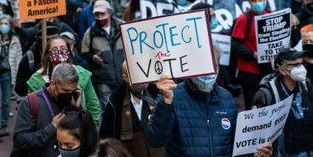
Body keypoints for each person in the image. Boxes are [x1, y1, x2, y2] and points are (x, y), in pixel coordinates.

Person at [144, 71, 273, 157]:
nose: (210, 72)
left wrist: (254, 152)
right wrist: (166, 103)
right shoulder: (172, 95)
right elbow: (155, 140)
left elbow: (236, 145)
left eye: (214, 66)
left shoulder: (225, 97)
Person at [26, 36, 100, 126]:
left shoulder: (82, 75)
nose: (59, 52)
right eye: (54, 49)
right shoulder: (37, 80)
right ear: (48, 55)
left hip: (78, 129)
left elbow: (93, 106)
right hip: (49, 130)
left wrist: (92, 130)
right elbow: (31, 112)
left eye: (62, 48)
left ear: (69, 52)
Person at [252, 48, 313, 156]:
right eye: (295, 65)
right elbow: (257, 132)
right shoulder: (266, 94)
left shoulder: (307, 86)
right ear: (282, 69)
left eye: (301, 64)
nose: (301, 68)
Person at [13, 64, 82, 157]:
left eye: (72, 91)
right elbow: (20, 140)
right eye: (65, 91)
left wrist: (77, 109)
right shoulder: (30, 102)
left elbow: (80, 135)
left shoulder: (72, 101)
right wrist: (50, 129)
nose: (69, 94)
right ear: (53, 84)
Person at [100, 62, 164, 157]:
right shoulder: (116, 101)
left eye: (144, 73)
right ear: (125, 77)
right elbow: (106, 135)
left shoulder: (158, 92)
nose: (142, 79)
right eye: (137, 75)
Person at [231, 0, 273, 109]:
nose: (257, 2)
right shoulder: (243, 19)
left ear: (265, 0)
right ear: (249, 2)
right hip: (250, 70)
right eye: (254, 0)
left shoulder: (270, 15)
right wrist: (253, 54)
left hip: (268, 67)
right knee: (253, 103)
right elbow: (235, 45)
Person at [81, 0, 125, 109]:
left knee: (124, 107)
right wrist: (92, 58)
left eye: (102, 13)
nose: (100, 17)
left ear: (109, 13)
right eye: (96, 14)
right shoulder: (90, 32)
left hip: (124, 76)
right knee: (108, 107)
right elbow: (84, 52)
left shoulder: (123, 27)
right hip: (103, 78)